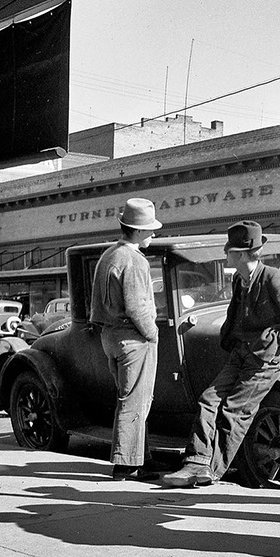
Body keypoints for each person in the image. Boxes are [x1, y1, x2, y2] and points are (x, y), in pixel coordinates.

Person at [159, 221, 280, 488]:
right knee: (208, 400)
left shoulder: (274, 279)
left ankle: (211, 471)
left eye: (228, 251)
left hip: (268, 359)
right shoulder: (239, 279)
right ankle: (195, 462)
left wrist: (271, 341)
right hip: (242, 354)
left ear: (240, 254)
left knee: (234, 411)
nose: (225, 254)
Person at [90, 197, 161, 481]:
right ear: (139, 231)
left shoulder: (109, 255)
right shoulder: (134, 260)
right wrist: (152, 334)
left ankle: (141, 459)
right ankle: (126, 465)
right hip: (133, 339)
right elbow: (137, 306)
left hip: (111, 336)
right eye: (151, 230)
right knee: (135, 402)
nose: (153, 235)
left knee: (130, 398)